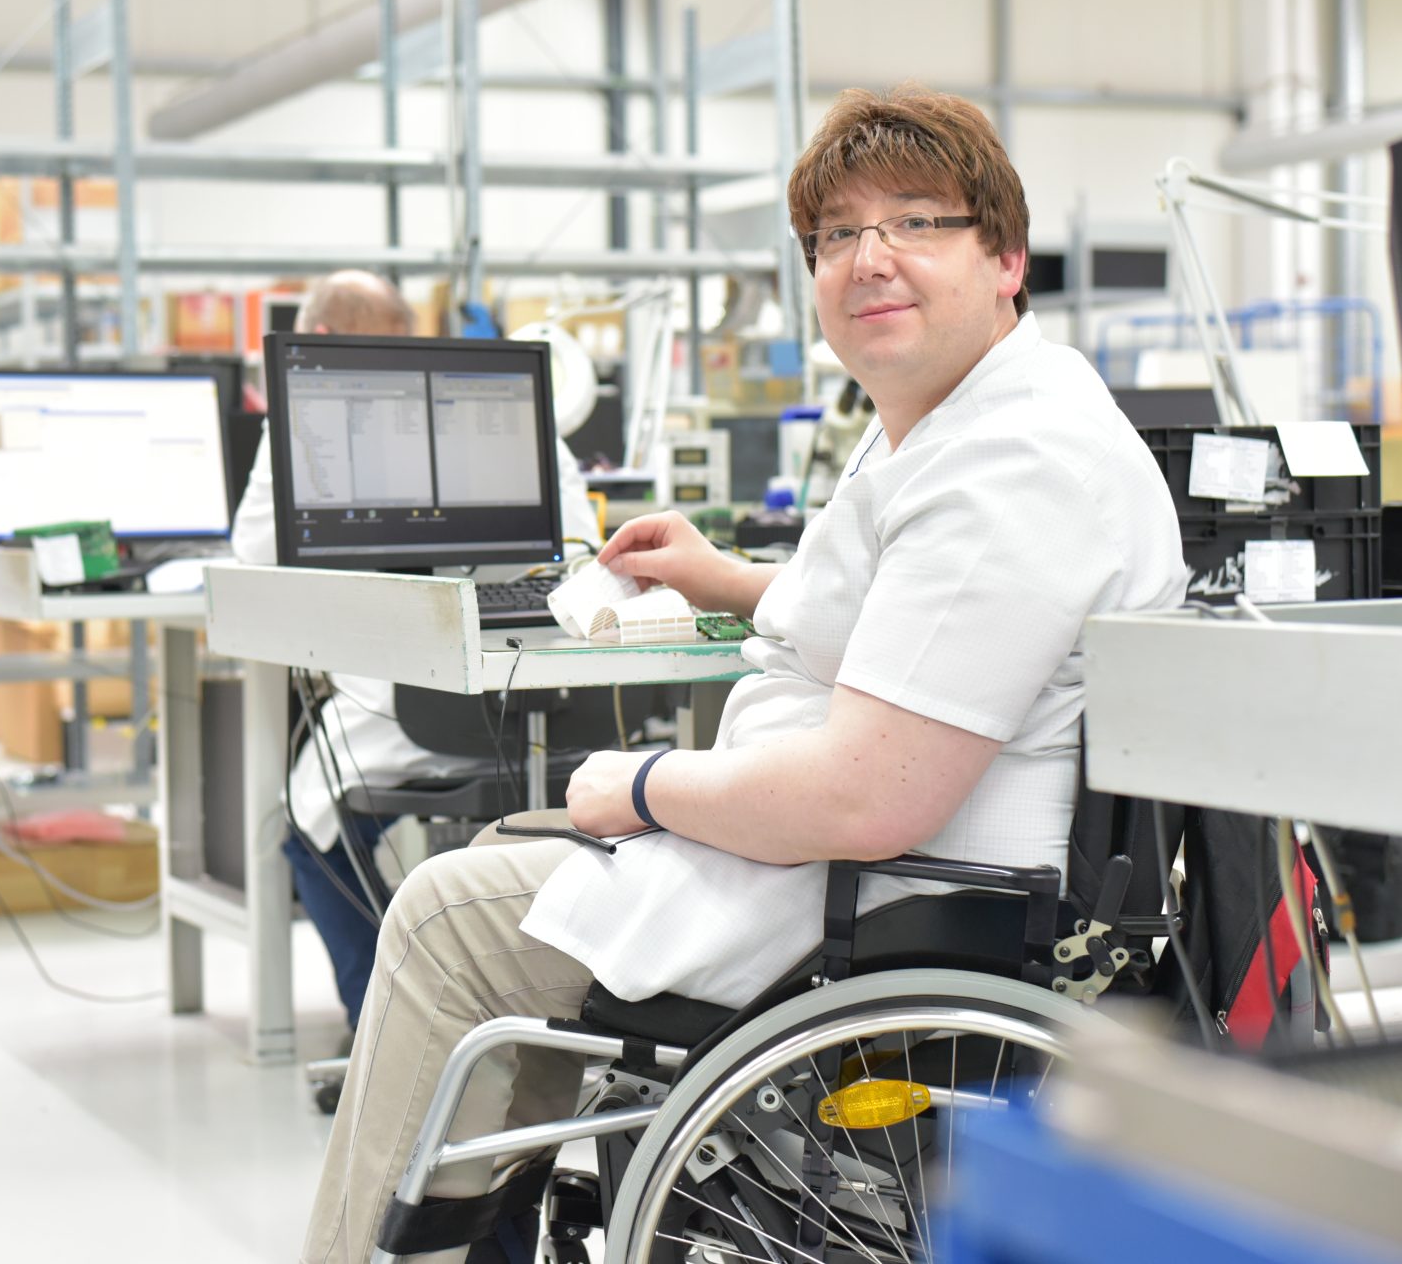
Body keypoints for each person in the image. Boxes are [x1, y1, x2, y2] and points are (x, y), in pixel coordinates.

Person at [301, 86, 1189, 1263]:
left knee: (441, 911)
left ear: (1004, 257)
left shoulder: (1008, 468)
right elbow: (911, 631)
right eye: (835, 236)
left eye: (916, 222)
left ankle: (375, 1245)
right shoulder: (967, 412)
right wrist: (726, 577)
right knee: (504, 863)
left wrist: (647, 784)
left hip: (887, 892)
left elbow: (866, 798)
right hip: (868, 860)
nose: (868, 259)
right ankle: (471, 1229)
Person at [227, 270, 601, 1040]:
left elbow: (256, 553)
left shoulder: (315, 403)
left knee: (305, 821)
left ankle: (387, 1031)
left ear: (317, 342)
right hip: (561, 704)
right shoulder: (499, 390)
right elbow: (581, 547)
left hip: (416, 708)